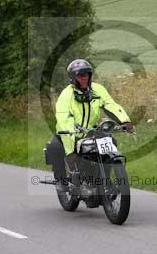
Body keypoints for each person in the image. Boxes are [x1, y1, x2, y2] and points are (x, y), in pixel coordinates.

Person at [45, 59, 134, 192]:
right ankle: (61, 181)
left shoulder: (98, 89)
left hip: (92, 132)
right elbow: (64, 117)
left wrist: (124, 121)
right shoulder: (66, 95)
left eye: (86, 74)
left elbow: (110, 105)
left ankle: (104, 181)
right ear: (73, 77)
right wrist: (70, 146)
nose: (84, 78)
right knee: (55, 147)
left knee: (111, 142)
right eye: (80, 75)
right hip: (69, 133)